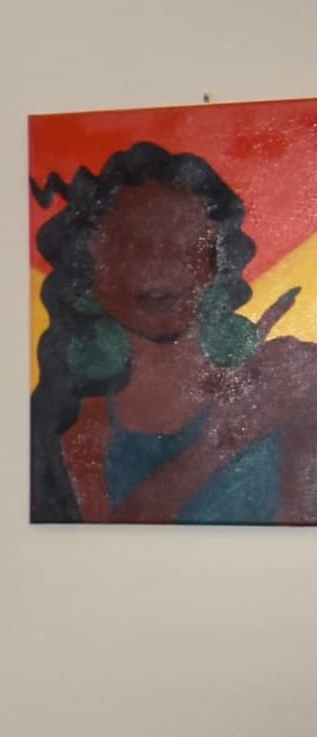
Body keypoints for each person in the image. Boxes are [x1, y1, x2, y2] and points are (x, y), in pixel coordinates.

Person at [32, 142, 317, 523]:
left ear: (218, 261)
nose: (157, 269)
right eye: (132, 245)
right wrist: (222, 443)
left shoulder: (287, 385)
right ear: (89, 261)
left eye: (183, 245)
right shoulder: (73, 420)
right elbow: (104, 546)